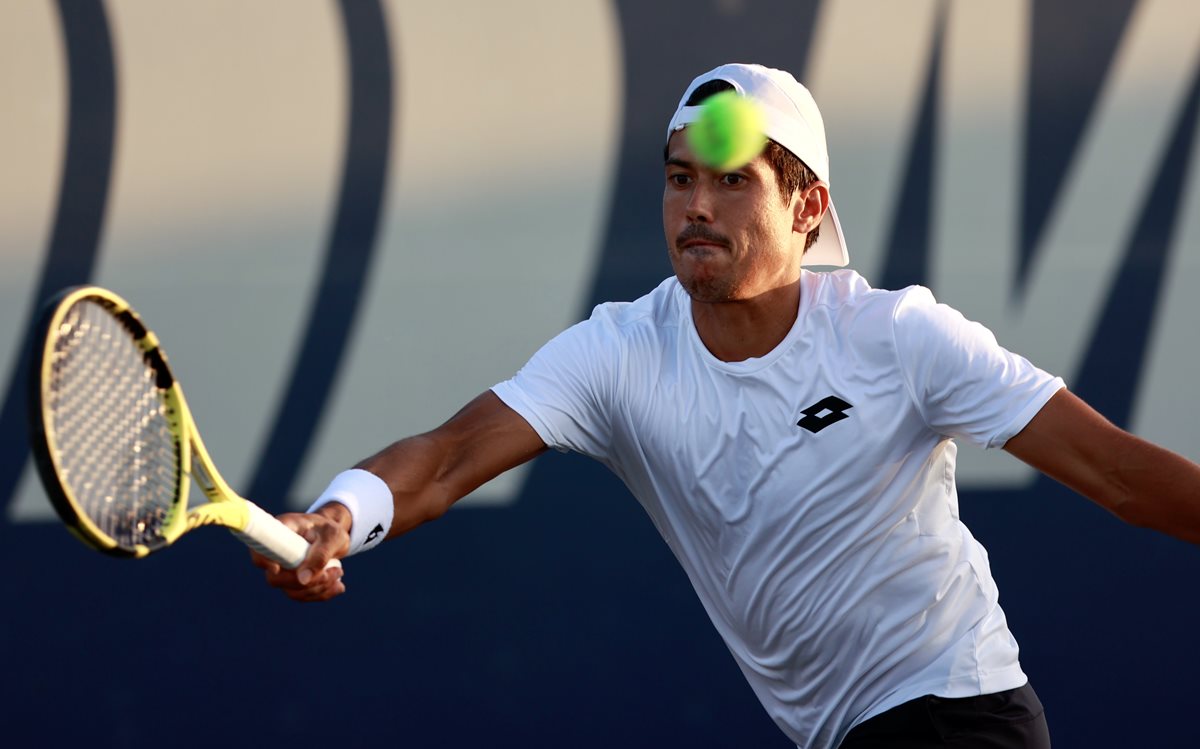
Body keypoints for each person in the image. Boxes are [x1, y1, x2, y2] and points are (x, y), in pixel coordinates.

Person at [252, 63, 1200, 748]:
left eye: (732, 179)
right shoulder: (620, 352)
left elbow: (1116, 471)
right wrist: (341, 517)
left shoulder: (900, 338)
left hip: (957, 713)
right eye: (681, 179)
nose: (696, 206)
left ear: (807, 206)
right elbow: (450, 455)